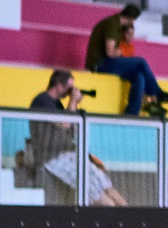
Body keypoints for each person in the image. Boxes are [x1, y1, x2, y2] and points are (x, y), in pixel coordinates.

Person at [28, 70, 126, 206]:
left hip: (68, 153)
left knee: (104, 184)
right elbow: (64, 123)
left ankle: (130, 216)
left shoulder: (58, 105)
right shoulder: (42, 101)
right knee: (93, 189)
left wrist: (74, 104)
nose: (70, 91)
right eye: (69, 87)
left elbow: (73, 127)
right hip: (51, 156)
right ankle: (115, 215)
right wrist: (73, 101)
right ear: (59, 86)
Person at [86, 4, 168, 116]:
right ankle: (157, 93)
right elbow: (110, 53)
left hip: (107, 63)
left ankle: (132, 112)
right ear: (131, 18)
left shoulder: (116, 25)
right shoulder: (112, 24)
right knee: (141, 62)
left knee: (138, 76)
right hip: (99, 64)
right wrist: (121, 51)